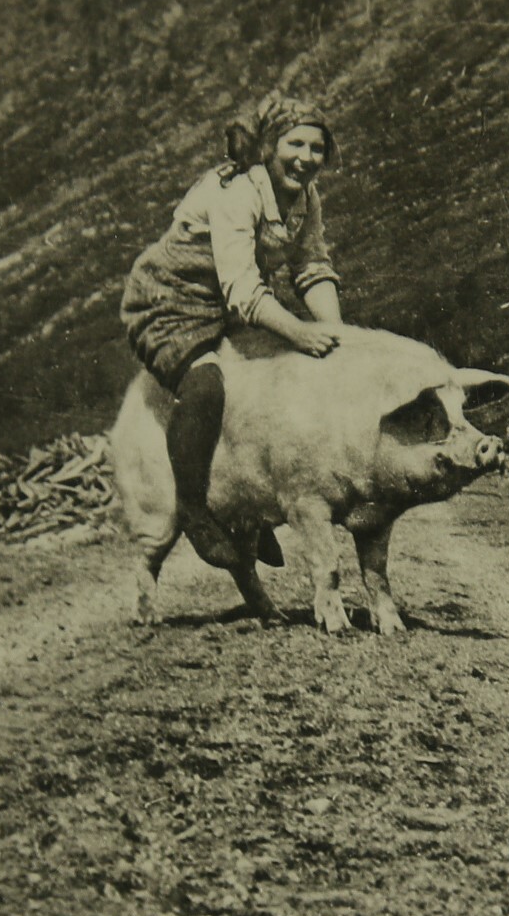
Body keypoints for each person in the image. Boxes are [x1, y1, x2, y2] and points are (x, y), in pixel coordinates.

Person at [120, 94, 345, 564]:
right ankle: (195, 511)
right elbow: (243, 286)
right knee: (205, 385)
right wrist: (302, 333)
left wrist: (338, 335)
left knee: (275, 381)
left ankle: (250, 506)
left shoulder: (305, 198)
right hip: (170, 301)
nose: (305, 159)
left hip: (228, 305)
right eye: (295, 144)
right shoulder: (238, 191)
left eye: (316, 148)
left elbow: (311, 266)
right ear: (269, 146)